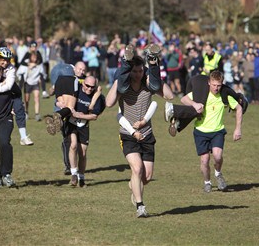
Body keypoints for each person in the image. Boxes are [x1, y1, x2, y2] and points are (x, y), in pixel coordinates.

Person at [106, 53, 173, 218]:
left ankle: (133, 185)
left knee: (147, 177)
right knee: (137, 168)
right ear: (130, 71)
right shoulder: (124, 85)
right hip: (128, 134)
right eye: (134, 71)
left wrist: (155, 76)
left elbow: (169, 96)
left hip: (147, 134)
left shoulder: (148, 84)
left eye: (140, 71)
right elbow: (109, 103)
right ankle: (140, 206)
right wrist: (118, 79)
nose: (138, 74)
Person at [167, 71, 243, 193]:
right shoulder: (201, 93)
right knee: (205, 160)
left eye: (218, 85)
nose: (216, 88)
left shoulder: (225, 95)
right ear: (208, 82)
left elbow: (239, 108)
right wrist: (194, 104)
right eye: (213, 85)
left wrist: (238, 128)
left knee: (218, 156)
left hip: (217, 131)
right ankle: (207, 182)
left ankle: (218, 174)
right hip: (200, 131)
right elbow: (184, 99)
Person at [65, 76, 106, 188]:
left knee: (82, 153)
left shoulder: (97, 97)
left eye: (92, 87)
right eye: (87, 86)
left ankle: (81, 177)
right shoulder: (76, 89)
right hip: (71, 123)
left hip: (83, 125)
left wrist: (81, 115)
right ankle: (73, 174)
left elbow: (94, 116)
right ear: (83, 83)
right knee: (73, 145)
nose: (89, 89)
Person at [17, 51, 45, 121]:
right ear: (30, 57)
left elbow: (43, 73)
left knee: (37, 98)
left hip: (35, 83)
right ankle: (26, 113)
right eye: (33, 57)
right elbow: (18, 73)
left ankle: (37, 114)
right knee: (26, 100)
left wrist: (40, 78)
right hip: (27, 83)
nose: (34, 58)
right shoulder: (25, 64)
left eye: (35, 57)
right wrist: (28, 68)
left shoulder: (39, 65)